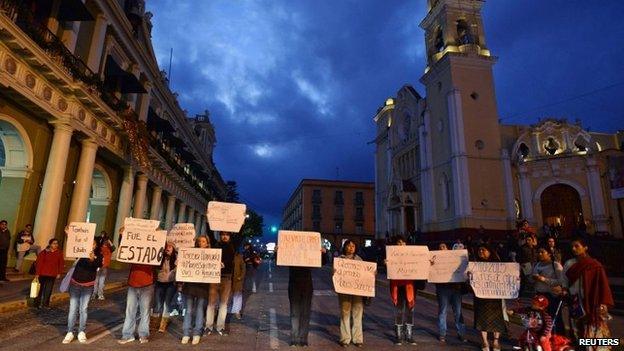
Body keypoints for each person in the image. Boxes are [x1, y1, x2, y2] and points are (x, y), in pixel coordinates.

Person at [558, 237, 614, 347]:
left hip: (591, 301)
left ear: (585, 248)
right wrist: (564, 290)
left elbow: (602, 285)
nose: (574, 249)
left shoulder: (594, 264)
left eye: (577, 246)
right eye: (572, 247)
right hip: (575, 302)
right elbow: (564, 281)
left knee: (593, 329)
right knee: (576, 330)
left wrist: (603, 303)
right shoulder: (569, 264)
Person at [278, 243, 327, 347]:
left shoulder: (309, 256)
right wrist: (277, 252)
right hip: (293, 286)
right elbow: (280, 260)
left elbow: (322, 262)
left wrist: (323, 253)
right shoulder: (291, 256)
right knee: (295, 314)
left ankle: (303, 339)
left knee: (305, 314)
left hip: (307, 287)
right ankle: (294, 339)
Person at [63, 234, 103, 344]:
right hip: (75, 284)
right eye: (90, 243)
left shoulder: (98, 255)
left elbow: (98, 265)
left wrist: (92, 260)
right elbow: (73, 245)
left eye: (94, 244)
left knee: (83, 309)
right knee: (73, 308)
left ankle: (81, 331)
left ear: (96, 246)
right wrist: (68, 234)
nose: (92, 246)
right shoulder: (80, 252)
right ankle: (70, 332)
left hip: (88, 286)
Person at [470, 244, 506, 351]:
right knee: (482, 320)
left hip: (495, 298)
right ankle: (485, 342)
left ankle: (495, 342)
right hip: (480, 298)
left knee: (497, 320)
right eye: (479, 250)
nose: (481, 252)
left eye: (483, 250)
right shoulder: (475, 265)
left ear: (490, 251)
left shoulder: (498, 265)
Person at [181, 235, 211, 345]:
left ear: (207, 243)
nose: (200, 243)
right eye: (199, 241)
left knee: (199, 310)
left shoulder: (212, 255)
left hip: (202, 288)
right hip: (190, 286)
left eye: (203, 241)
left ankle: (197, 333)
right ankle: (186, 333)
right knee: (188, 310)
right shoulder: (191, 253)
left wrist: (218, 266)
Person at [433, 242, 466, 343]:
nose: (442, 248)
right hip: (442, 289)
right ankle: (442, 333)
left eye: (444, 246)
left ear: (448, 248)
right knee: (442, 311)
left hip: (455, 289)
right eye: (440, 247)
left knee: (458, 312)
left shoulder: (455, 259)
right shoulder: (435, 259)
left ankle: (461, 334)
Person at [387, 235, 417, 345]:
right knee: (399, 311)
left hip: (410, 287)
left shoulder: (412, 255)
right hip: (397, 286)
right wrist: (386, 263)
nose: (401, 244)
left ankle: (409, 335)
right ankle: (399, 335)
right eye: (399, 242)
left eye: (403, 242)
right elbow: (388, 271)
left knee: (410, 310)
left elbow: (419, 266)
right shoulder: (391, 255)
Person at [334, 240, 364, 347]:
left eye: (353, 246)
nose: (351, 248)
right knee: (345, 314)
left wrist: (372, 273)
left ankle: (357, 339)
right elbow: (334, 275)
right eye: (349, 245)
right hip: (344, 291)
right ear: (345, 247)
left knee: (357, 314)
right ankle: (345, 339)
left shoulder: (359, 259)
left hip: (357, 291)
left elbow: (365, 274)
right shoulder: (339, 260)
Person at [205, 231, 236, 335]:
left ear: (230, 236)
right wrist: (208, 220)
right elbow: (210, 234)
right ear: (220, 236)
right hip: (214, 277)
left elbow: (240, 234)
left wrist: (242, 220)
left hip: (226, 278)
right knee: (211, 303)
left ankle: (220, 327)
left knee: (223, 304)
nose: (225, 236)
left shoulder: (233, 245)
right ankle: (208, 327)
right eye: (223, 234)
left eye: (227, 235)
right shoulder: (215, 244)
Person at [529, 245, 564, 334]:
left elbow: (561, 281)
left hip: (551, 296)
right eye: (538, 252)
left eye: (542, 252)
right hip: (539, 295)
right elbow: (531, 279)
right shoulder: (536, 265)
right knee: (540, 318)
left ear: (549, 254)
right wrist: (533, 278)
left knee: (552, 317)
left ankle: (556, 337)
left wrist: (543, 279)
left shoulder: (555, 265)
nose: (540, 254)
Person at [153, 241, 177, 333]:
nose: (168, 248)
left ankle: (163, 324)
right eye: (167, 246)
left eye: (170, 246)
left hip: (170, 284)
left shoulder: (176, 260)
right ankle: (155, 322)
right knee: (158, 303)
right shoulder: (159, 257)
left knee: (167, 304)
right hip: (160, 282)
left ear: (173, 249)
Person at [34, 238, 64, 309]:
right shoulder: (44, 252)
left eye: (57, 243)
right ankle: (36, 304)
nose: (56, 245)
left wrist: (59, 273)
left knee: (48, 290)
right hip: (42, 274)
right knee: (39, 289)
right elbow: (39, 263)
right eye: (54, 243)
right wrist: (37, 273)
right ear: (50, 244)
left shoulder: (59, 253)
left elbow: (61, 263)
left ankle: (45, 304)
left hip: (52, 274)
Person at [93, 231, 114, 300]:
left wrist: (108, 239)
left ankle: (98, 294)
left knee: (100, 282)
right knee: (97, 281)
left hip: (104, 267)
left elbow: (113, 247)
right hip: (98, 266)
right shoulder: (99, 248)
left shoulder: (109, 249)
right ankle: (95, 294)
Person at [230, 248, 246, 320]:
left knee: (237, 296)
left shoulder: (239, 257)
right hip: (228, 279)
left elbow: (243, 268)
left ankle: (237, 311)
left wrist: (240, 277)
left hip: (237, 280)